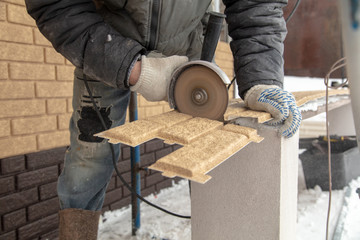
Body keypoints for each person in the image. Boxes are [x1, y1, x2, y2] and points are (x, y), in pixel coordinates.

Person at [25, 0, 301, 239]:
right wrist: (135, 69)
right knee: (89, 158)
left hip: (189, 53)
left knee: (205, 153)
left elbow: (255, 9)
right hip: (104, 46)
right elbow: (55, 5)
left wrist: (262, 79)